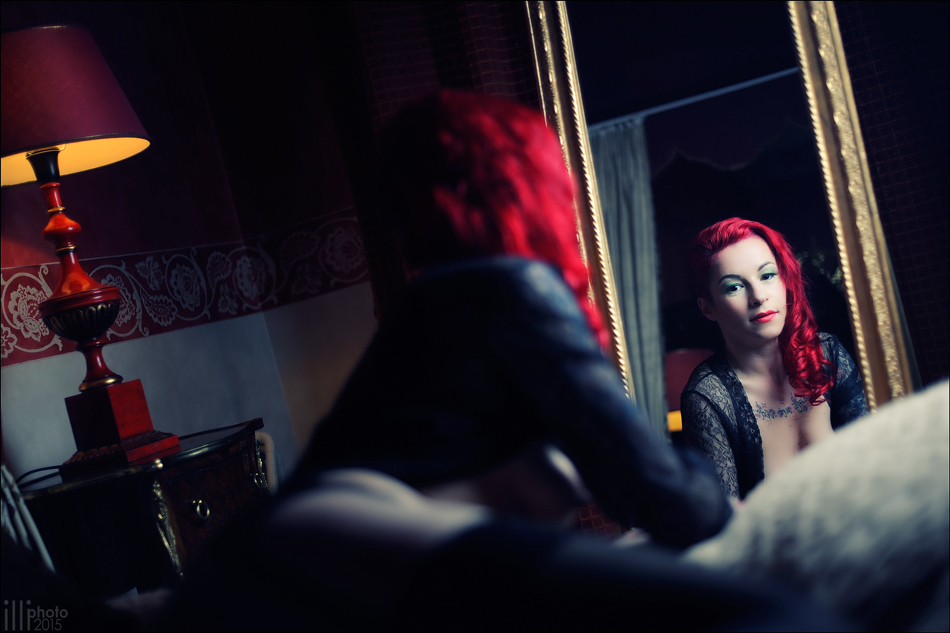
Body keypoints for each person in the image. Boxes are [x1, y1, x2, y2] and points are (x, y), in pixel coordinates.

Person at [289, 90, 732, 547]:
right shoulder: (513, 288)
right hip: (343, 552)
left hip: (306, 545)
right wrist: (724, 506)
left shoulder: (432, 300)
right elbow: (657, 491)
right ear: (525, 185)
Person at [680, 218, 867, 499]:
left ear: (784, 280)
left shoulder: (826, 353)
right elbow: (727, 517)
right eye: (734, 287)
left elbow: (874, 458)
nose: (758, 296)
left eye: (767, 275)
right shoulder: (707, 398)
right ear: (708, 308)